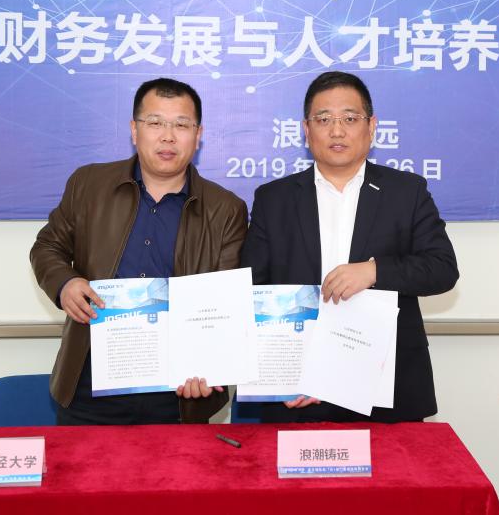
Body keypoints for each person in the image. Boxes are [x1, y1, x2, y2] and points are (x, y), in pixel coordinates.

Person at [240, 71, 458, 422]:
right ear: (306, 129)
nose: (337, 131)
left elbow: (442, 269)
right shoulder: (274, 199)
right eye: (324, 119)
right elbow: (253, 289)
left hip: (385, 388)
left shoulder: (407, 192)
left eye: (350, 119)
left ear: (371, 126)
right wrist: (281, 374)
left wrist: (374, 271)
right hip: (299, 390)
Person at [31, 77, 247, 425]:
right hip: (90, 385)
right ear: (134, 130)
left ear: (198, 135)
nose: (168, 136)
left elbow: (224, 300)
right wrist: (65, 283)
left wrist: (209, 366)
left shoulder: (225, 209)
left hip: (178, 395)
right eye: (155, 123)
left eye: (181, 125)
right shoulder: (88, 185)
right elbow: (48, 246)